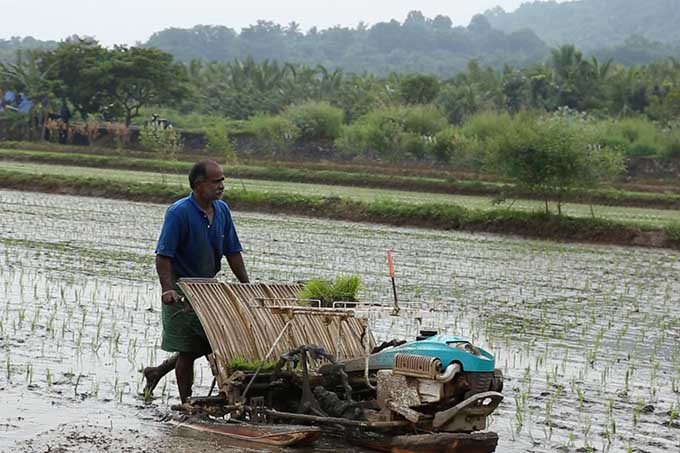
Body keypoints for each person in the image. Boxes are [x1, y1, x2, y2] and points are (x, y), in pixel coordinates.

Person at [143, 159, 249, 403]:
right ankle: (186, 402)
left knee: (214, 340)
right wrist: (167, 289)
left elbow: (232, 251)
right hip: (182, 286)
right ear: (199, 185)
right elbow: (163, 255)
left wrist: (246, 285)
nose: (221, 186)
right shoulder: (179, 213)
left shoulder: (222, 210)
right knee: (188, 349)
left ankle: (156, 372)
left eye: (222, 180)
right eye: (216, 181)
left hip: (207, 286)